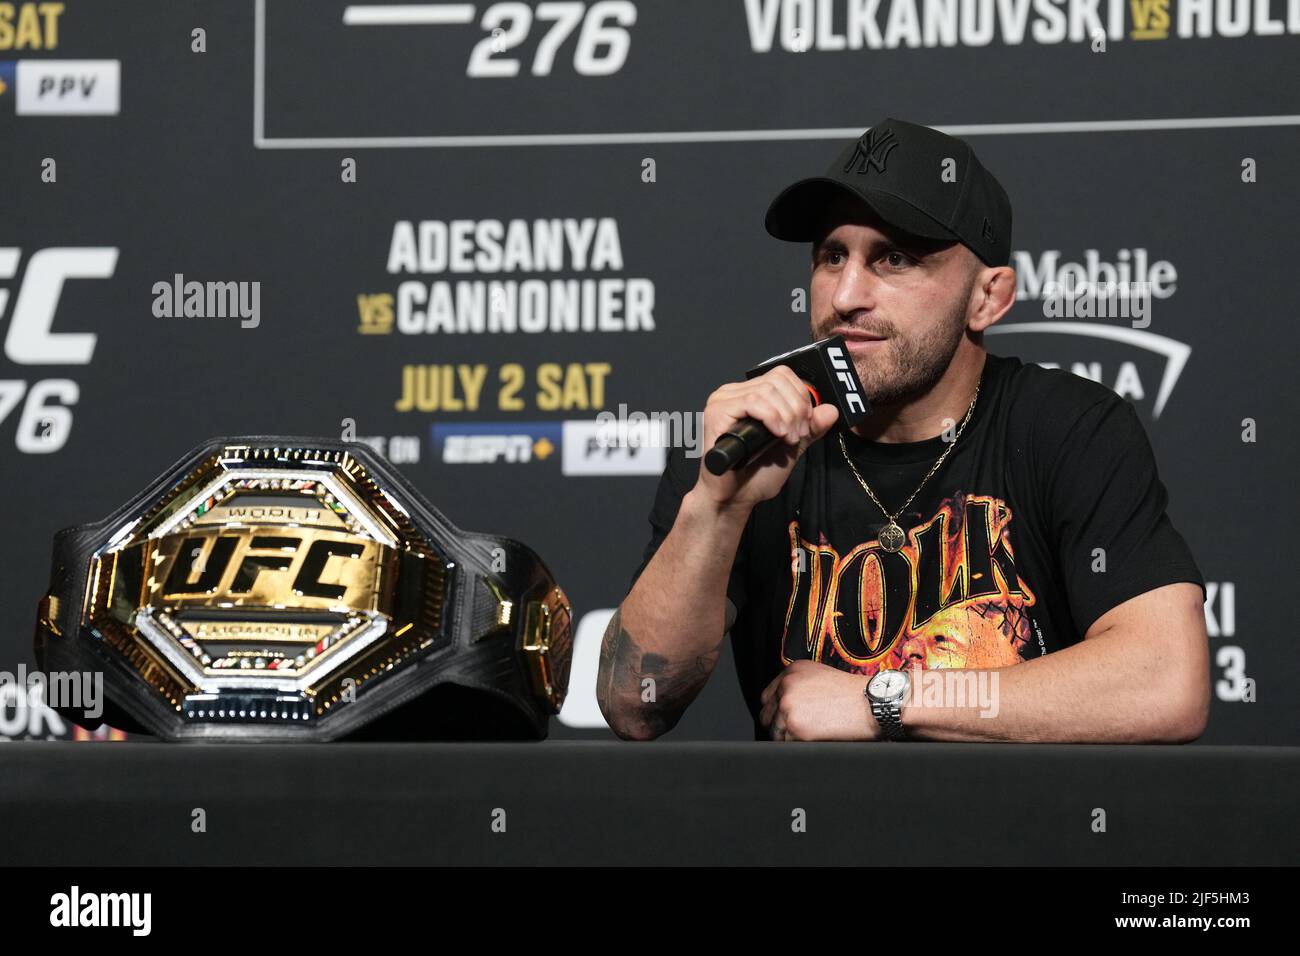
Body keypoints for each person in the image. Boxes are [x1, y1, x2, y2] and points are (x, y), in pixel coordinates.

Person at [598, 118, 1209, 743]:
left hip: (1022, 833)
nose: (846, 296)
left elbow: (1164, 680)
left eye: (895, 258)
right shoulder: (745, 441)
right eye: (831, 256)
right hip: (806, 834)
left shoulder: (1067, 428)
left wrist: (881, 699)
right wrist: (715, 509)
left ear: (988, 298)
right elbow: (634, 704)